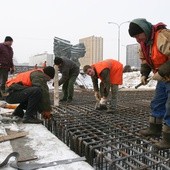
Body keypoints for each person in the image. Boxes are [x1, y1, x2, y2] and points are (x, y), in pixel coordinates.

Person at [128, 18, 170, 149]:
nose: (137, 39)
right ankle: (155, 129)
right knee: (157, 103)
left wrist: (162, 71)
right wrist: (144, 74)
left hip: (165, 74)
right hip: (164, 78)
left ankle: (168, 139)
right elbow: (145, 61)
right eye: (134, 37)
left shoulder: (162, 36)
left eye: (138, 35)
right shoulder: (144, 43)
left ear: (144, 30)